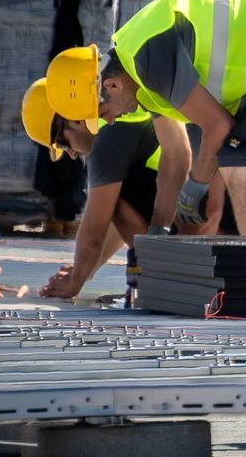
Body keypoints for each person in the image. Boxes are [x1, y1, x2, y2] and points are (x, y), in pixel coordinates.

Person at [42, 0, 246, 240]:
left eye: (102, 113)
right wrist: (166, 226)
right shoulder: (140, 79)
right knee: (234, 159)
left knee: (240, 164)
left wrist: (196, 185)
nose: (108, 121)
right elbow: (199, 138)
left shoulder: (148, 59)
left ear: (111, 85)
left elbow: (219, 128)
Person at [22, 82, 169, 300]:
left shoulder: (109, 136)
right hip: (206, 228)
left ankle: (162, 282)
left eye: (62, 143)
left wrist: (73, 285)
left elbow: (94, 232)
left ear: (73, 118)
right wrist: (85, 271)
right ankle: (162, 279)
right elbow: (122, 220)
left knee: (110, 201)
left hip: (199, 239)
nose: (71, 154)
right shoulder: (124, 118)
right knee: (113, 200)